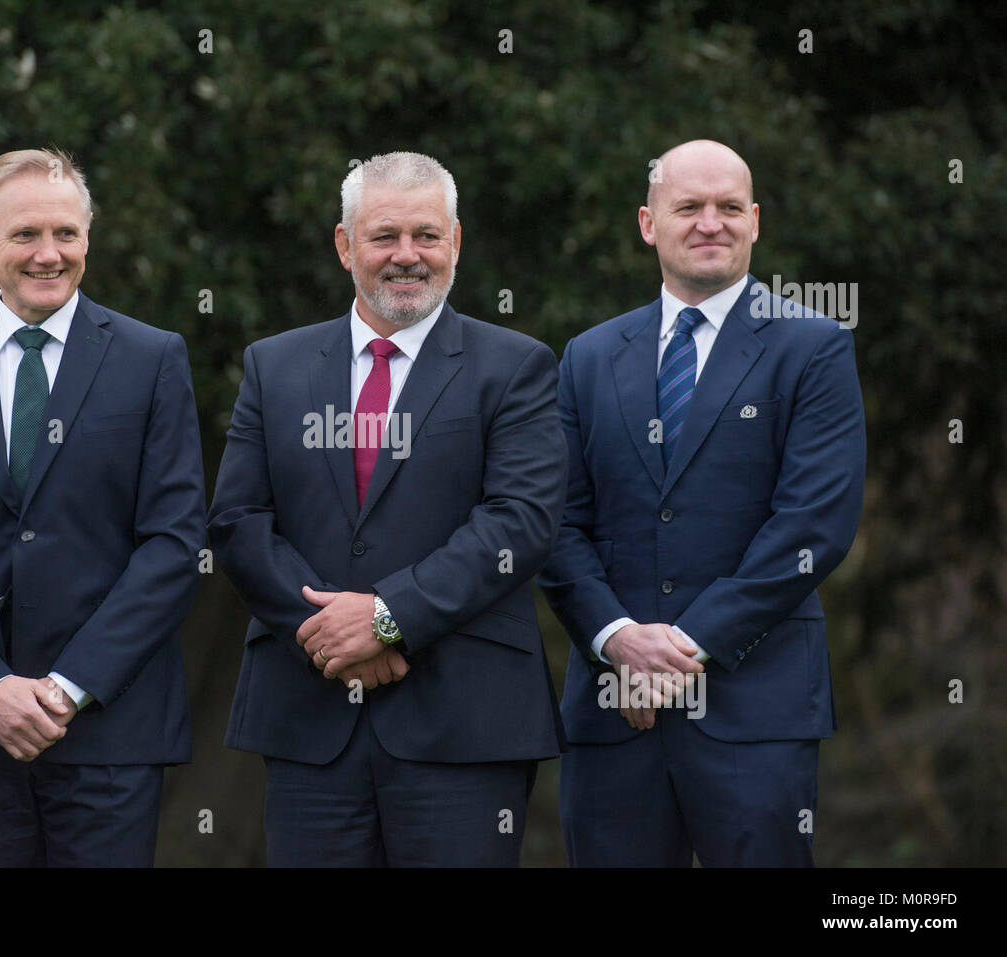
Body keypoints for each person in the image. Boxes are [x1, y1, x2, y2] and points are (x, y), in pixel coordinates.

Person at [208, 151, 567, 867]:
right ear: (345, 246)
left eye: (427, 236)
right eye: (384, 236)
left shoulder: (516, 366)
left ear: (456, 242)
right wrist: (328, 635)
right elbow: (238, 523)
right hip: (309, 719)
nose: (408, 255)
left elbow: (519, 520)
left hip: (465, 725)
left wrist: (383, 618)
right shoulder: (273, 367)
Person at [0, 148, 205, 866]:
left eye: (66, 234)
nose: (48, 255)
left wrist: (65, 687)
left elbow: (174, 546)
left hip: (109, 734)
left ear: (89, 237)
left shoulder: (153, 360)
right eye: (25, 235)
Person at [539, 139, 866, 866]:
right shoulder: (587, 356)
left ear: (756, 221)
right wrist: (618, 639)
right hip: (614, 714)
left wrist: (680, 649)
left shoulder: (812, 346)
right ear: (649, 223)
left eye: (728, 208)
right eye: (688, 206)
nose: (709, 222)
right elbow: (555, 525)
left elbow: (814, 524)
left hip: (756, 712)